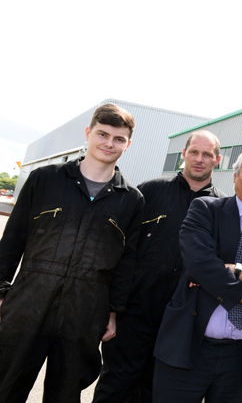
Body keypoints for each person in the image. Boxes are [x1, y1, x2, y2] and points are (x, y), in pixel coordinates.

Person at [0, 104, 145, 403]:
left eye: (119, 139)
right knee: (6, 383)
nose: (109, 143)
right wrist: (1, 290)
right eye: (103, 134)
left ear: (128, 144)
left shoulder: (131, 199)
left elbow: (126, 261)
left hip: (86, 308)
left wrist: (113, 311)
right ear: (88, 133)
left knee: (65, 393)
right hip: (30, 299)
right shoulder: (45, 179)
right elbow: (12, 239)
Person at [152, 149, 242, 402]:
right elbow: (199, 264)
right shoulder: (206, 209)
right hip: (188, 347)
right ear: (235, 175)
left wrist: (235, 269)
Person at [93, 130, 225, 403]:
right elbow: (119, 249)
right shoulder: (150, 191)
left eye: (207, 154)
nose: (199, 159)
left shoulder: (222, 209)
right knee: (115, 386)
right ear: (183, 155)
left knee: (158, 393)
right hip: (134, 314)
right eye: (194, 152)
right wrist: (112, 308)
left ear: (218, 160)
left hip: (180, 324)